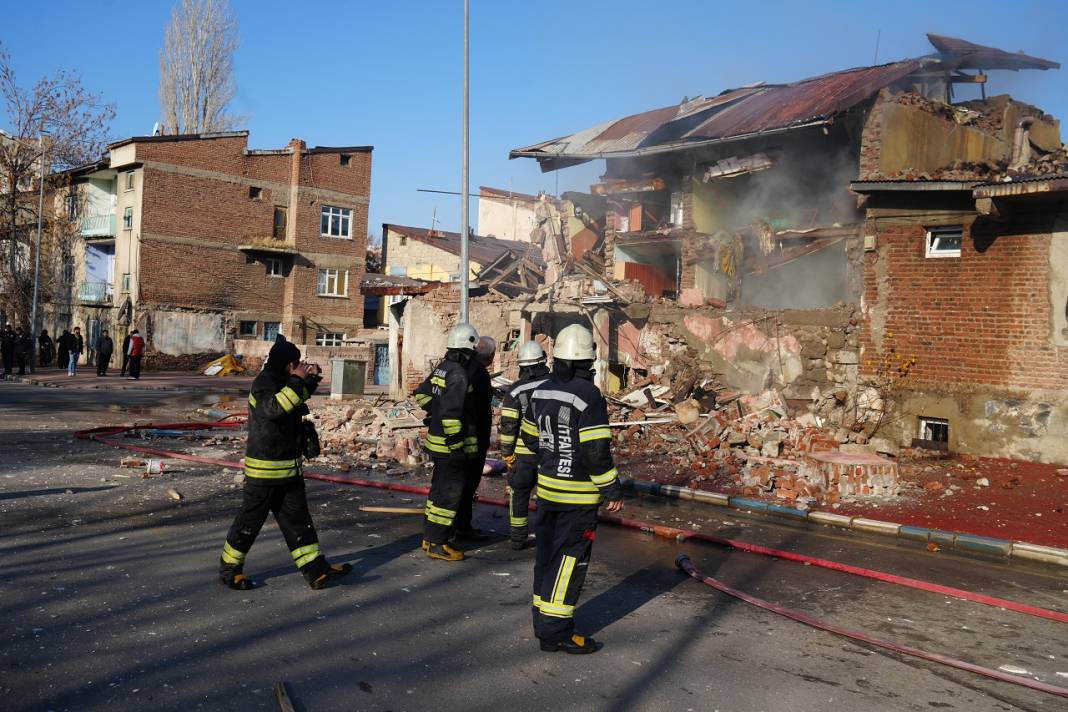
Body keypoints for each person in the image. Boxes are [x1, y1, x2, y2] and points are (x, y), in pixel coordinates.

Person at [520, 324, 624, 655]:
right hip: (577, 498)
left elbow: (529, 438)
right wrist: (612, 490)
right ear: (588, 361)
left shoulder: (540, 391)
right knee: (568, 561)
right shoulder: (588, 395)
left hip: (548, 492)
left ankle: (542, 618)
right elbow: (595, 453)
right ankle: (555, 632)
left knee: (547, 558)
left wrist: (554, 457)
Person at [218, 334, 351, 591]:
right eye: (297, 364)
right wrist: (297, 380)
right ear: (288, 365)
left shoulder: (283, 380)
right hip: (265, 472)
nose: (300, 367)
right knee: (249, 522)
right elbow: (275, 409)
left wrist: (310, 380)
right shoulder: (264, 384)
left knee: (299, 521)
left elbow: (296, 398)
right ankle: (229, 570)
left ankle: (316, 571)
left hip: (288, 469)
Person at [412, 323, 479, 562]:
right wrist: (456, 444)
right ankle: (438, 544)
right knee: (448, 497)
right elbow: (452, 414)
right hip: (451, 448)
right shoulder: (459, 374)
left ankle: (430, 537)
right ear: (467, 350)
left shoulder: (443, 368)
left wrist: (435, 410)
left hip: (437, 445)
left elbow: (421, 394)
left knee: (438, 493)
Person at [499, 340, 551, 549]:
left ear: (522, 366)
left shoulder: (515, 390)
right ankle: (548, 535)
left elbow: (509, 425)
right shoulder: (556, 384)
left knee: (519, 494)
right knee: (549, 495)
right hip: (551, 451)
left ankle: (518, 538)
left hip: (523, 453)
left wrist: (507, 454)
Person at [454, 335, 496, 541]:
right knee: (468, 484)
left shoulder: (461, 369)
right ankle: (462, 526)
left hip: (459, 437)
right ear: (491, 356)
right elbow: (480, 410)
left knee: (460, 484)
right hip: (474, 437)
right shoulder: (479, 374)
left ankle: (456, 525)